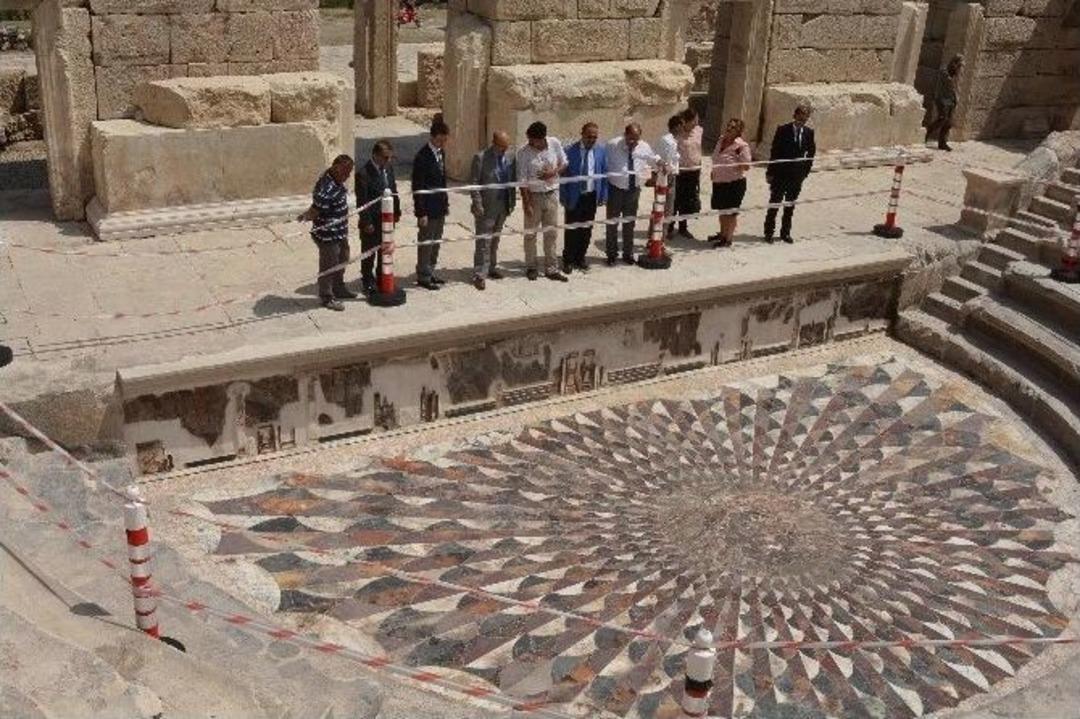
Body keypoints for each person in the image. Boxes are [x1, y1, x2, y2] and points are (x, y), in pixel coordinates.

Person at [298, 154, 355, 311]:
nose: (348, 176)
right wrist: (305, 216)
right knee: (328, 265)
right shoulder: (327, 187)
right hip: (328, 235)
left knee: (343, 257)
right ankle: (327, 297)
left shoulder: (335, 181)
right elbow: (315, 210)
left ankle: (338, 286)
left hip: (340, 232)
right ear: (336, 168)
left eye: (349, 172)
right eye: (345, 172)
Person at [516, 121, 569, 282]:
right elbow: (522, 180)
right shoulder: (523, 153)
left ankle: (551, 268)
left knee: (551, 233)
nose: (531, 143)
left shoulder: (554, 143)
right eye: (529, 139)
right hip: (534, 196)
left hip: (552, 193)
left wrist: (553, 172)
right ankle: (531, 267)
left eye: (533, 140)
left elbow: (564, 163)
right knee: (530, 234)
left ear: (542, 138)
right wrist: (526, 204)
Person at [604, 123, 659, 266]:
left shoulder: (644, 147)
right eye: (630, 138)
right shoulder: (612, 145)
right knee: (612, 223)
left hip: (633, 190)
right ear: (625, 135)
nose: (633, 142)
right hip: (615, 189)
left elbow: (653, 161)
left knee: (629, 224)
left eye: (636, 139)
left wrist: (657, 170)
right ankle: (611, 254)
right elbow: (603, 164)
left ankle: (628, 254)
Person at [469, 131, 517, 291]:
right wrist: (477, 204)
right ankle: (479, 274)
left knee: (495, 239)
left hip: (503, 205)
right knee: (484, 241)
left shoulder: (510, 157)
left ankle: (491, 267)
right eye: (501, 147)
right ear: (493, 143)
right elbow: (474, 183)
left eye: (506, 147)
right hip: (486, 207)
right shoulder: (481, 158)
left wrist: (512, 202)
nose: (504, 150)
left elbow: (512, 180)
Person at [763, 104, 816, 244]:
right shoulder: (782, 130)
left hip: (796, 176)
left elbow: (811, 154)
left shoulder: (809, 133)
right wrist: (770, 172)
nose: (802, 120)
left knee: (789, 206)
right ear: (795, 115)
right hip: (780, 174)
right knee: (774, 204)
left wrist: (805, 172)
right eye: (800, 117)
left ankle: (785, 232)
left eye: (805, 118)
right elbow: (774, 152)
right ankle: (768, 232)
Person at [560, 122, 607, 274]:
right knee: (572, 229)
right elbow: (564, 176)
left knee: (586, 229)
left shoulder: (600, 151)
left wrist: (603, 194)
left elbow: (604, 173)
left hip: (591, 195)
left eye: (595, 137)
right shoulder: (569, 151)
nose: (592, 139)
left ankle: (580, 257)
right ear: (582, 134)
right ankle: (568, 260)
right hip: (574, 196)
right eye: (589, 136)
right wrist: (563, 196)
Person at [356, 140, 401, 295]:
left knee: (385, 251)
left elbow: (393, 190)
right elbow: (362, 201)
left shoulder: (388, 169)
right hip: (372, 221)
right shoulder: (363, 173)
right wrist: (366, 222)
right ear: (375, 155)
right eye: (384, 157)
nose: (387, 161)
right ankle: (367, 280)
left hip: (387, 220)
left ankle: (383, 277)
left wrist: (397, 211)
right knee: (369, 253)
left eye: (389, 158)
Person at [412, 116, 450, 290]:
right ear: (433, 137)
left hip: (440, 206)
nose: (443, 142)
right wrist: (421, 213)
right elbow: (417, 187)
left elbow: (442, 181)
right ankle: (423, 276)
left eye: (445, 139)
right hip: (428, 208)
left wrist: (446, 203)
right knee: (426, 243)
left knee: (435, 242)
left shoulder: (441, 153)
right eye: (441, 139)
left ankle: (431, 271)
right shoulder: (422, 157)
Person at [709, 118, 752, 248]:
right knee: (722, 210)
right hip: (719, 181)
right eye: (728, 125)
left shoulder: (741, 146)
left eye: (732, 127)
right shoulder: (721, 139)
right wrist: (715, 170)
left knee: (731, 213)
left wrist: (733, 166)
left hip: (734, 184)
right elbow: (716, 157)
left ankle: (728, 239)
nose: (729, 128)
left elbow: (746, 166)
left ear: (738, 131)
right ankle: (722, 234)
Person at [675, 107, 703, 239]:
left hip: (694, 170)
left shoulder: (699, 131)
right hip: (680, 171)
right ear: (685, 121)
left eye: (697, 120)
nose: (695, 123)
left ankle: (683, 227)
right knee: (676, 198)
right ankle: (669, 227)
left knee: (688, 199)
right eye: (693, 121)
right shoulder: (677, 133)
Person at [926, 55, 963, 152]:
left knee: (948, 123)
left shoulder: (954, 74)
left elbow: (955, 87)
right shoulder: (944, 72)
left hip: (951, 100)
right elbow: (948, 82)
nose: (959, 67)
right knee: (942, 119)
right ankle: (926, 132)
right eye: (958, 64)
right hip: (942, 99)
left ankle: (942, 143)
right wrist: (955, 72)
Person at [656, 114, 683, 239]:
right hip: (665, 177)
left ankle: (662, 237)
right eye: (681, 126)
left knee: (667, 210)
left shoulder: (673, 140)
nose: (683, 129)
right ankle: (658, 238)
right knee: (662, 208)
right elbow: (662, 158)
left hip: (672, 176)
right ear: (676, 126)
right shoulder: (667, 141)